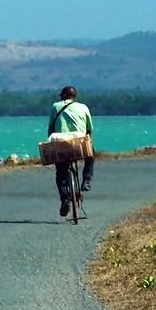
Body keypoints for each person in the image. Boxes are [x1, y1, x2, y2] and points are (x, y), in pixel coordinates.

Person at [48, 84, 94, 216]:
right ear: (75, 97)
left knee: (60, 173)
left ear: (63, 96)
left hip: (61, 142)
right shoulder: (83, 107)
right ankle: (86, 180)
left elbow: (50, 128)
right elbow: (89, 129)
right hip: (79, 141)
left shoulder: (56, 106)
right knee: (90, 156)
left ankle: (64, 199)